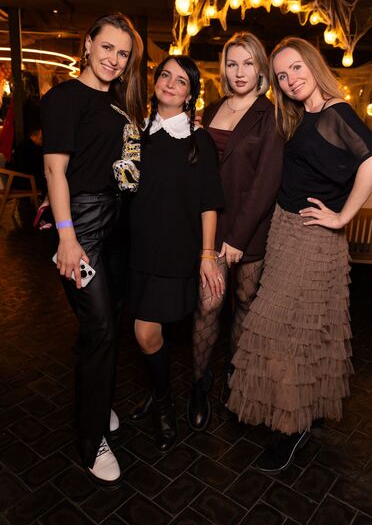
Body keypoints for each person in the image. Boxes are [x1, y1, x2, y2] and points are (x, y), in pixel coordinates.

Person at [227, 36, 372, 473]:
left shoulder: (335, 111)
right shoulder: (305, 114)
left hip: (312, 237)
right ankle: (304, 412)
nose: (290, 79)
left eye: (296, 68)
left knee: (283, 331)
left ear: (314, 65)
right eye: (282, 75)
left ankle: (290, 428)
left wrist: (342, 216)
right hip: (287, 231)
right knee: (308, 330)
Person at [41, 13, 143, 486]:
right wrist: (67, 236)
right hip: (80, 223)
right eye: (106, 48)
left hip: (114, 221)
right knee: (98, 326)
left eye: (123, 54)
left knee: (109, 321)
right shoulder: (65, 97)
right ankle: (90, 439)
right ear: (87, 44)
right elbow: (55, 171)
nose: (114, 59)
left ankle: (97, 404)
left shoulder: (117, 101)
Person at [185, 32, 284, 432]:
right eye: (232, 63)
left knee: (244, 304)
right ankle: (198, 384)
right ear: (223, 68)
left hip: (249, 229)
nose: (239, 72)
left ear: (260, 68)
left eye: (248, 63)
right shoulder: (211, 109)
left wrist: (238, 238)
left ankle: (235, 378)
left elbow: (266, 183)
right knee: (208, 305)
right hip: (210, 224)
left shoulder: (270, 114)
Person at [128, 55, 224, 451]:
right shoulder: (136, 132)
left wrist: (207, 254)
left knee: (146, 331)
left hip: (174, 249)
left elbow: (209, 202)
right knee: (145, 332)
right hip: (134, 249)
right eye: (165, 75)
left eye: (181, 80)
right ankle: (158, 392)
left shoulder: (198, 139)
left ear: (190, 93)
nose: (170, 83)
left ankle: (164, 402)